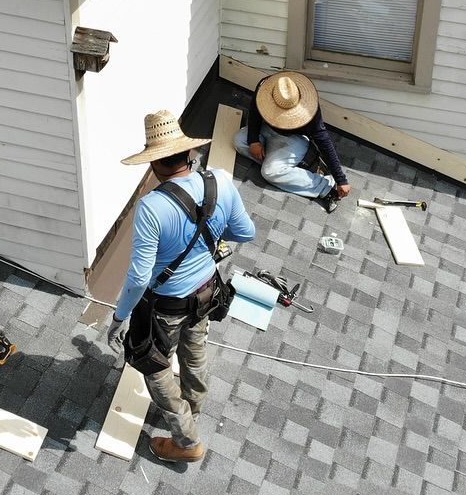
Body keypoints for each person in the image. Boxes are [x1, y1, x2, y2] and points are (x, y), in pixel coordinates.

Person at [106, 109, 255, 464]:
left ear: (154, 162)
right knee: (195, 348)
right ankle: (194, 407)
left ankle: (187, 441)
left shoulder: (152, 208)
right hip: (207, 292)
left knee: (154, 365)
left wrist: (120, 317)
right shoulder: (220, 182)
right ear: (188, 153)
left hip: (167, 306)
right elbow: (246, 232)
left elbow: (139, 278)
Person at [233, 71, 350, 212]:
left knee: (269, 172)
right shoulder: (265, 87)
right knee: (239, 141)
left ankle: (325, 187)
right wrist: (253, 142)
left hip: (293, 140)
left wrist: (340, 180)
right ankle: (285, 169)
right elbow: (254, 114)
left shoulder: (310, 113)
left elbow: (325, 143)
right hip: (266, 129)